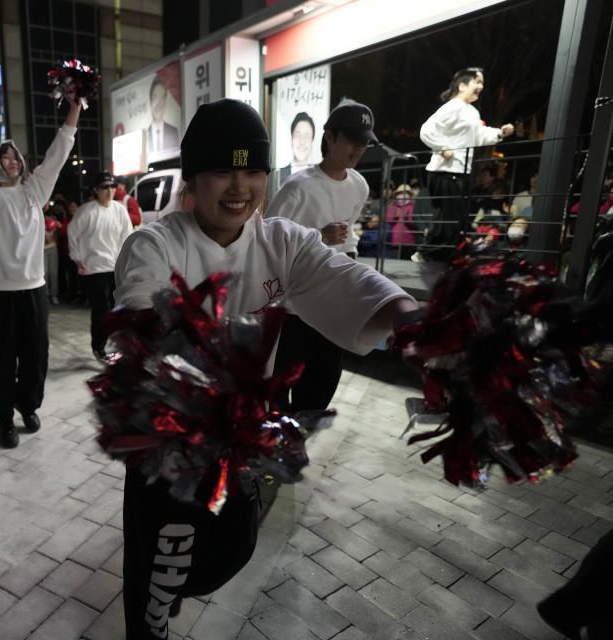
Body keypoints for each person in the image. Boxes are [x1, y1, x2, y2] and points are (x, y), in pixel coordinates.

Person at [112, 98, 417, 640]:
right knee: (160, 571)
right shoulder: (154, 243)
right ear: (194, 177)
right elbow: (141, 306)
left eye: (252, 170)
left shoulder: (282, 241)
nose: (239, 186)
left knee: (236, 545)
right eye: (222, 170)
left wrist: (416, 321)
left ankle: (177, 581)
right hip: (171, 437)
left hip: (241, 436)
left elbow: (350, 281)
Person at [0, 70, 82, 448]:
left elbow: (58, 153)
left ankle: (28, 405)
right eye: (3, 155)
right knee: (2, 359)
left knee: (36, 356)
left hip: (33, 289)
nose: (10, 160)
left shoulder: (34, 192)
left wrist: (74, 109)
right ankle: (4, 417)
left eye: (14, 156)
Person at [265, 100, 377, 414]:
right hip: (296, 307)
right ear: (330, 137)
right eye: (353, 140)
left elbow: (348, 238)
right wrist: (319, 235)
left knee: (324, 377)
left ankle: (298, 433)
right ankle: (274, 436)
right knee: (283, 377)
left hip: (335, 302)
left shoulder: (359, 186)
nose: (359, 148)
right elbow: (269, 241)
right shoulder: (298, 188)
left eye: (364, 142)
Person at [413, 67, 514, 262]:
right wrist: (443, 148)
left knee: (454, 220)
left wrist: (500, 133)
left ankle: (437, 257)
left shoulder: (471, 112)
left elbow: (479, 135)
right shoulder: (454, 106)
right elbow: (426, 130)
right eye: (477, 82)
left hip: (460, 171)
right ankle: (425, 254)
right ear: (462, 85)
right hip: (445, 170)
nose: (481, 86)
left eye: (482, 83)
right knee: (448, 219)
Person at [68, 171, 134, 361]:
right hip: (94, 268)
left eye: (112, 186)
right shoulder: (86, 211)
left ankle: (119, 346)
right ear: (96, 190)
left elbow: (127, 236)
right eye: (105, 187)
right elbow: (73, 233)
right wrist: (77, 258)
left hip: (115, 267)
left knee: (118, 308)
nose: (109, 190)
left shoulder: (120, 210)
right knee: (101, 310)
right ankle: (99, 348)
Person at [278, 111, 316, 183]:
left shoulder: (318, 178)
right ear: (291, 139)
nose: (302, 142)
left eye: (306, 136)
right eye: (298, 135)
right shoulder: (278, 175)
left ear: (312, 141)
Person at [146, 76, 179, 154]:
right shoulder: (144, 137)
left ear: (165, 101)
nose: (159, 103)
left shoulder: (173, 132)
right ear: (150, 101)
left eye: (162, 98)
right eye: (155, 97)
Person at [386, 183, 418, 259]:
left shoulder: (413, 207)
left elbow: (416, 225)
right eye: (400, 193)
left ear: (409, 195)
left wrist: (407, 219)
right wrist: (395, 217)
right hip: (394, 241)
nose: (402, 195)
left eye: (405, 193)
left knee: (405, 264)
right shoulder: (393, 207)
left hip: (408, 242)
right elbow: (387, 221)